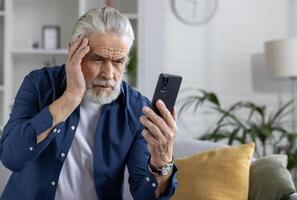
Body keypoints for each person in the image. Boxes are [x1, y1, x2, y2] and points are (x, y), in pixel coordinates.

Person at [0, 6, 178, 200]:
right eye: (98, 59)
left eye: (118, 61)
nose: (109, 74)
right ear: (74, 52)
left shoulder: (136, 109)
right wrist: (70, 97)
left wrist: (162, 162)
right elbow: (11, 158)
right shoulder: (38, 84)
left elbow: (146, 196)